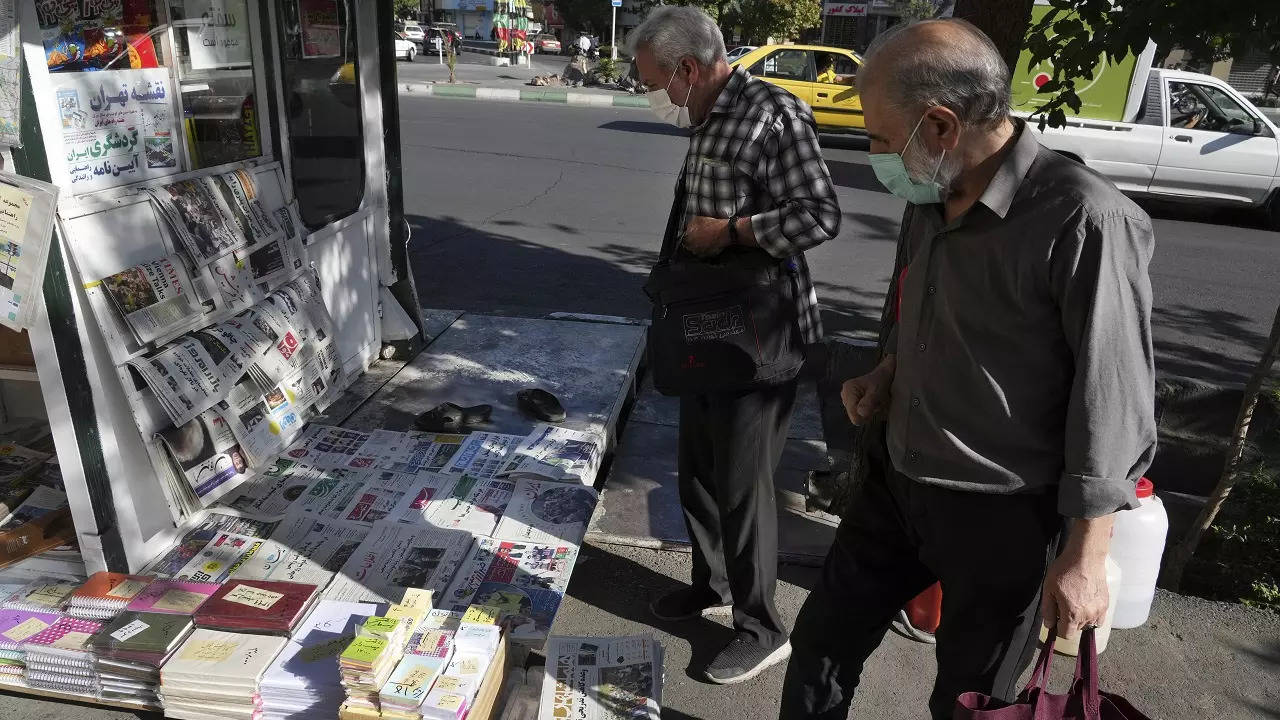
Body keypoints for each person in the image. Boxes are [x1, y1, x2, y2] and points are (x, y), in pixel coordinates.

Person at [779, 18, 1156, 720]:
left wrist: (1083, 558)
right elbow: (919, 314)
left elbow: (1114, 401)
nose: (875, 154)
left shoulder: (1085, 221)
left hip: (1001, 513)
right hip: (895, 481)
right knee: (821, 644)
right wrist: (886, 373)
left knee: (968, 700)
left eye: (884, 138)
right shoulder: (930, 190)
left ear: (943, 125)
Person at [629, 6, 840, 686]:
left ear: (688, 70)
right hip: (706, 332)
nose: (650, 95)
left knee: (745, 489)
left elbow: (819, 215)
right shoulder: (705, 114)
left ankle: (761, 627)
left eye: (653, 81)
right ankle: (711, 584)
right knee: (696, 470)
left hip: (761, 338)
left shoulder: (772, 114)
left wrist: (732, 232)